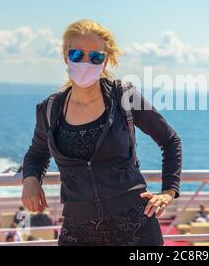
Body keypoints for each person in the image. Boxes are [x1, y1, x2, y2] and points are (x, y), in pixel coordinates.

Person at [21, 19, 182, 246]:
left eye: (95, 57)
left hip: (136, 225)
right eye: (77, 54)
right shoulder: (49, 109)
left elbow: (170, 140)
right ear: (65, 56)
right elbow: (37, 153)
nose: (85, 62)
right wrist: (30, 179)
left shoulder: (124, 96)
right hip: (78, 229)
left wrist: (168, 192)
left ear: (106, 61)